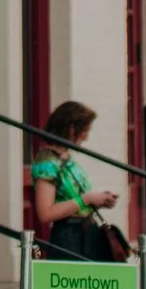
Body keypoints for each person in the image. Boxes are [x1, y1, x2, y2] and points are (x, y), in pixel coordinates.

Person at [30, 100, 122, 262]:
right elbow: (46, 213)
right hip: (69, 237)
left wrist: (99, 199)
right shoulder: (47, 162)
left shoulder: (66, 157)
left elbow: (73, 199)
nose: (86, 136)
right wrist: (87, 199)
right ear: (71, 128)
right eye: (84, 130)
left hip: (87, 232)